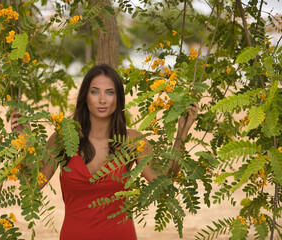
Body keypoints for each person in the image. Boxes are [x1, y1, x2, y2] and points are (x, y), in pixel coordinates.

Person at [11, 64, 198, 240]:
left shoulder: (133, 141)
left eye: (110, 92)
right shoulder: (62, 138)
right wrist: (24, 142)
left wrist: (181, 134)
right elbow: (33, 185)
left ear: (118, 99)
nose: (102, 99)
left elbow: (163, 181)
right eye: (95, 92)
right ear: (85, 96)